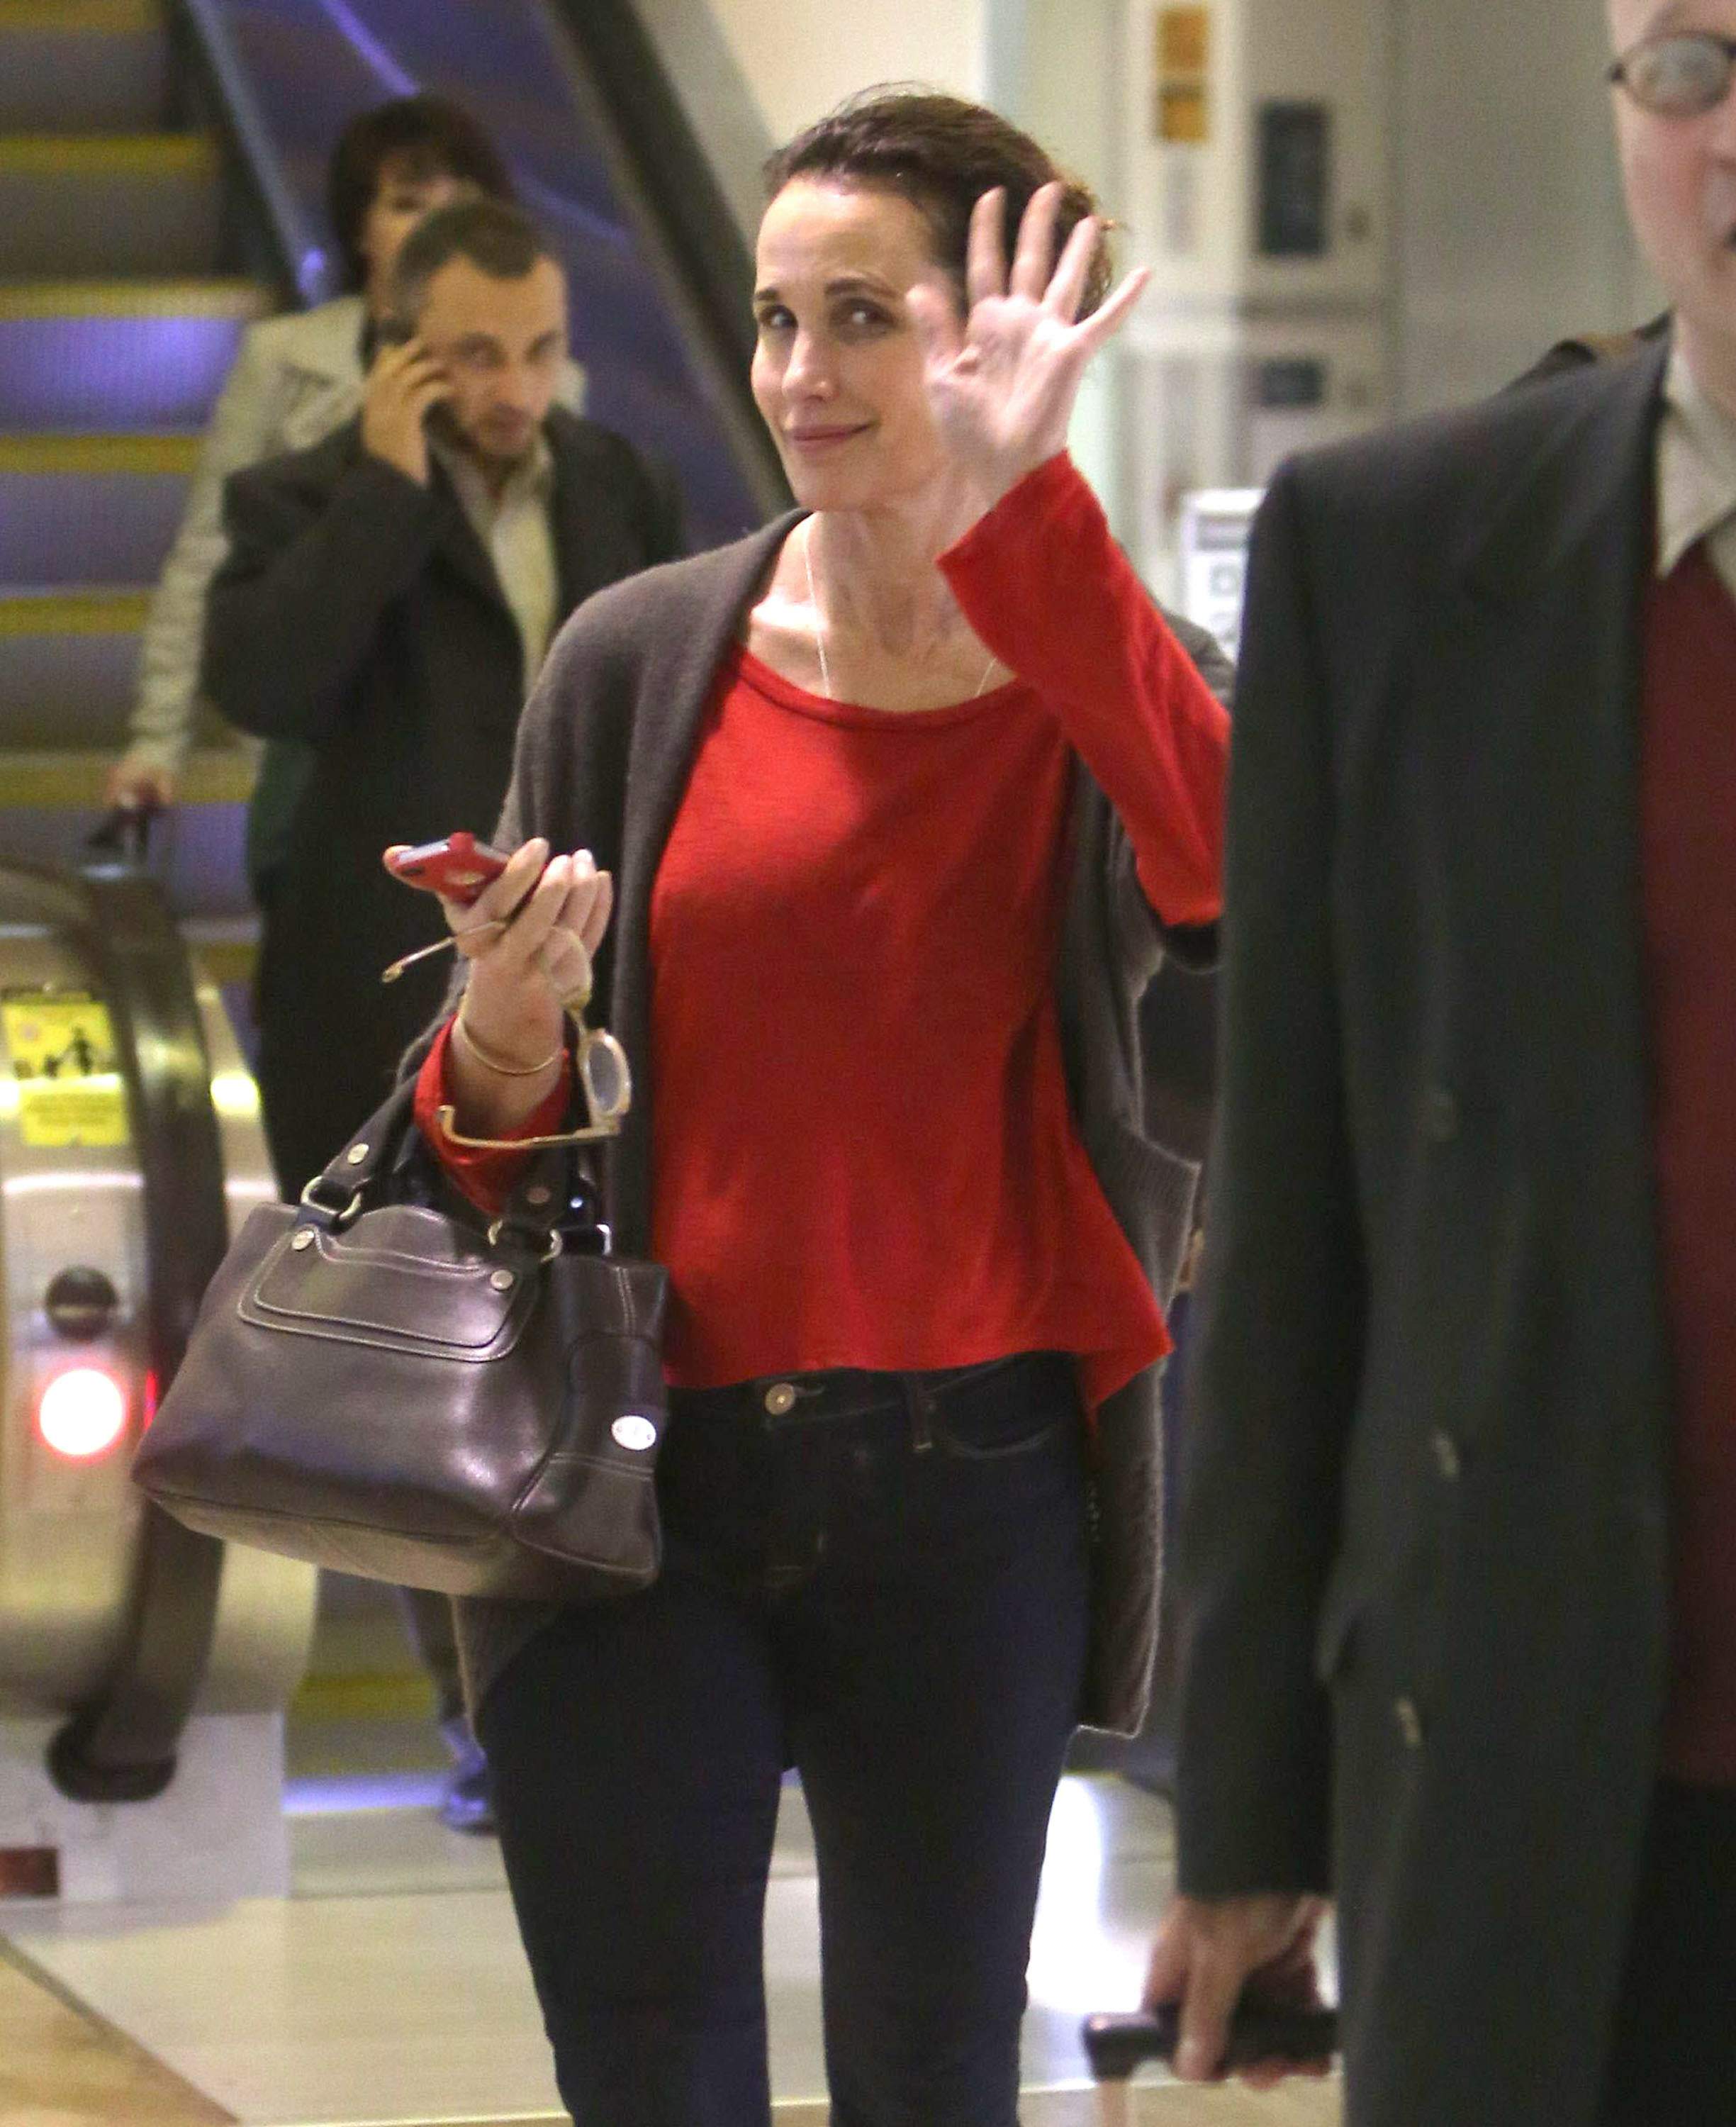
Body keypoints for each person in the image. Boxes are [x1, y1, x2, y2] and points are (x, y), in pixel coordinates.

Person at [392, 88, 1231, 2127]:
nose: (798, 374)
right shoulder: (637, 661)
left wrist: (1038, 521)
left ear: (989, 335)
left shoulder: (1106, 678)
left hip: (977, 1487)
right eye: (777, 321)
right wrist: (502, 1026)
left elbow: (1233, 875)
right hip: (629, 1480)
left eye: (859, 316)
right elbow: (477, 1136)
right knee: (653, 2072)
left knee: (933, 2075)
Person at [1146, 4, 1736, 2123]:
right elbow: (1296, 1206)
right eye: (1692, 66)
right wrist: (1244, 1799)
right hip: (1540, 1753)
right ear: (1617, 112)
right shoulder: (1400, 560)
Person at [201, 196, 681, 1829]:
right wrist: (387, 495)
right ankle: (476, 1701)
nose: (514, 385)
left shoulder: (615, 483)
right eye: (474, 353)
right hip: (390, 983)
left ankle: (623, 1662)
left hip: (605, 965)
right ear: (400, 350)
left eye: (540, 348)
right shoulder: (303, 496)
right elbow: (260, 685)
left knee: (606, 1309)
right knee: (429, 1339)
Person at [106, 94, 573, 892]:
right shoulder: (285, 359)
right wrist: (157, 742)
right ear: (361, 228)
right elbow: (209, 555)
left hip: (479, 761)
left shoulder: (539, 386)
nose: (433, 228)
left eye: (457, 207)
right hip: (316, 749)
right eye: (406, 205)